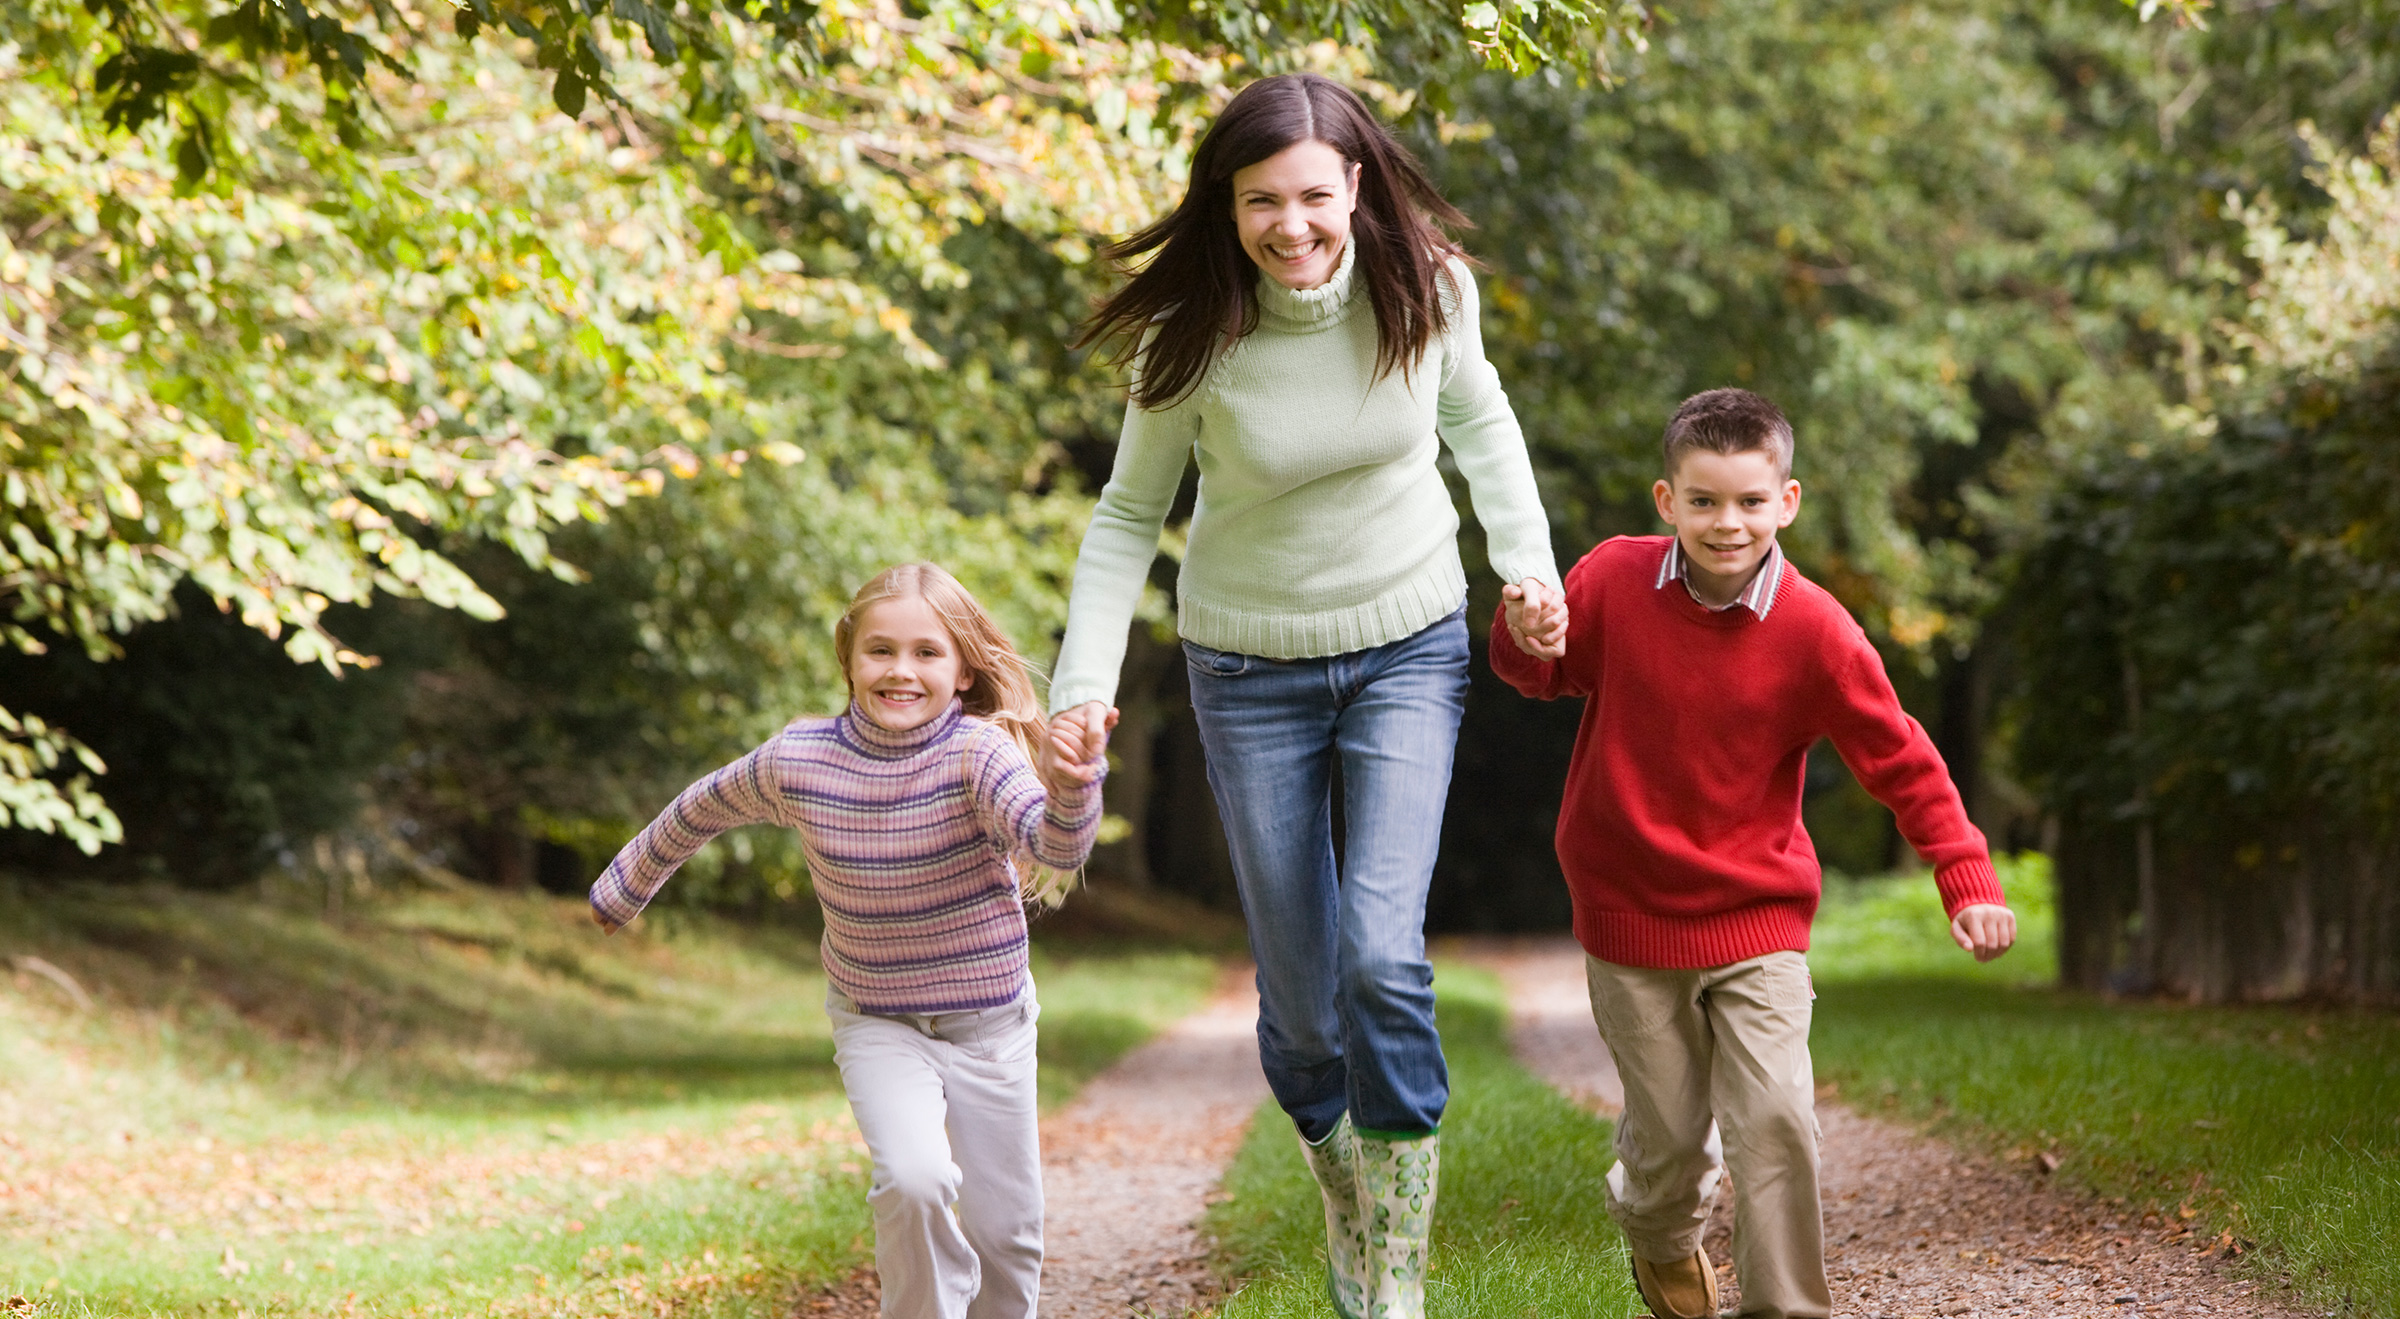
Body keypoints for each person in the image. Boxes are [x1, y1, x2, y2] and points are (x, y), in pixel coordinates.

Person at [1046, 72, 1567, 1319]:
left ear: (1358, 187)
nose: (1292, 225)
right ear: (1225, 207)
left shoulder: (1429, 289)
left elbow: (1481, 424)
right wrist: (1078, 686)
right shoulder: (1193, 338)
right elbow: (1126, 517)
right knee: (1298, 1001)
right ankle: (1345, 1175)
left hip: (1406, 644)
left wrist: (1528, 567)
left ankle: (1393, 1275)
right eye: (1261, 201)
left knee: (1381, 955)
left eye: (1314, 197)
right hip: (1245, 667)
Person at [1486, 388, 2017, 1319]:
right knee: (1672, 1145)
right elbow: (1541, 668)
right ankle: (1658, 1229)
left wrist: (1963, 873)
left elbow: (1900, 756)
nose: (1726, 523)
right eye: (1703, 501)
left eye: (1747, 501)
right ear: (1666, 500)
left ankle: (1785, 1307)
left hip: (1757, 918)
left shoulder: (1815, 630)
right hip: (1629, 915)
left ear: (1788, 501)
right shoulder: (1612, 580)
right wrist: (1524, 632)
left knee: (1775, 1119)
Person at [588, 562, 1111, 1319]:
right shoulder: (801, 759)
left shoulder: (978, 754)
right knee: (913, 1178)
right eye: (881, 651)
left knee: (1009, 1235)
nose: (902, 670)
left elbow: (1054, 846)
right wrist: (623, 885)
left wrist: (1073, 785)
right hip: (877, 1019)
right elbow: (701, 806)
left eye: (927, 652)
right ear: (849, 659)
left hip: (990, 1026)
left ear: (964, 670)